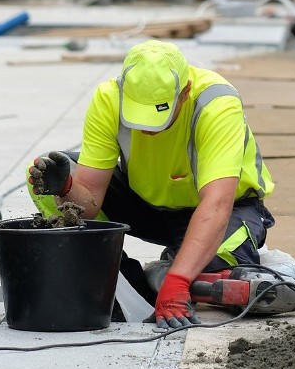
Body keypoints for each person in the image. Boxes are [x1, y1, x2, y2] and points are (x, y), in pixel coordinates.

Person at [27, 40, 275, 329]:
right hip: (145, 205)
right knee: (46, 179)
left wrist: (178, 280)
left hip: (226, 210)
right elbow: (89, 205)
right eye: (138, 118)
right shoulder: (109, 97)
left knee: (217, 258)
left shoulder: (216, 104)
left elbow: (216, 205)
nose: (147, 129)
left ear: (184, 93)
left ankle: (175, 271)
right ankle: (126, 280)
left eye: (158, 119)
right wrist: (66, 189)